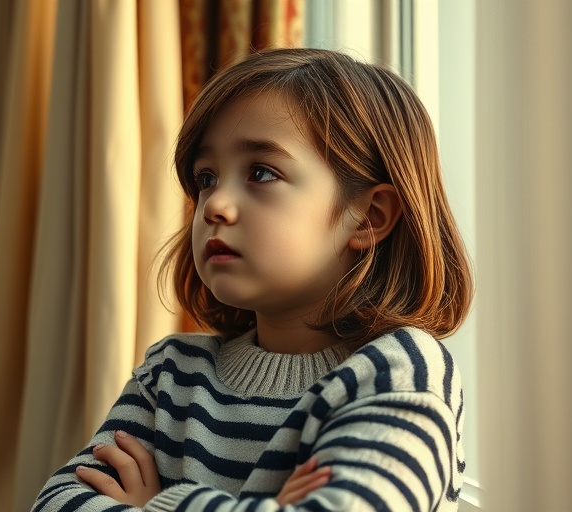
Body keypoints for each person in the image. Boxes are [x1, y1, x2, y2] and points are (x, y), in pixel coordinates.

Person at [32, 48, 473, 512]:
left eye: (261, 173)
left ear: (367, 217)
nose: (215, 204)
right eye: (206, 178)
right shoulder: (171, 374)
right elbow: (56, 503)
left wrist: (161, 503)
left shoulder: (398, 374)